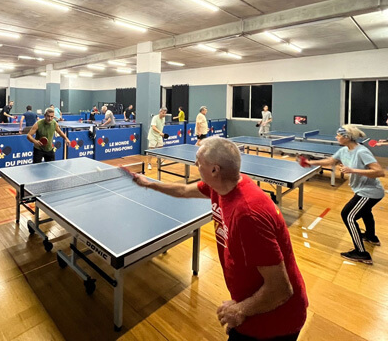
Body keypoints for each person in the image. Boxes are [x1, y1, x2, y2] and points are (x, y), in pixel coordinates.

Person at [134, 137, 308, 340]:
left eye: (199, 162)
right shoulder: (221, 187)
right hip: (256, 301)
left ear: (215, 170)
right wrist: (150, 184)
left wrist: (240, 309)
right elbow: (183, 190)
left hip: (275, 319)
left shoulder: (248, 215)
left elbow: (280, 289)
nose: (195, 165)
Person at [303, 125, 385, 264]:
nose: (336, 137)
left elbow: (379, 172)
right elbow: (331, 161)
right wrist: (311, 162)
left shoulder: (361, 152)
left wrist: (353, 170)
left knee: (348, 215)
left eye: (338, 135)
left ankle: (361, 253)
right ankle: (371, 237)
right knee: (365, 212)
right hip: (363, 190)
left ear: (347, 137)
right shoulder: (343, 150)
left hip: (370, 192)